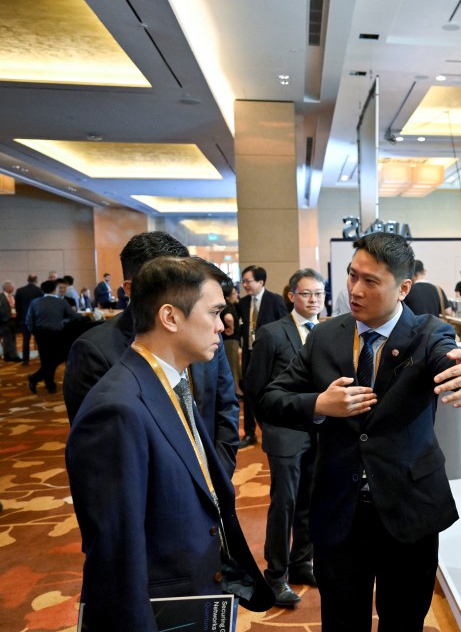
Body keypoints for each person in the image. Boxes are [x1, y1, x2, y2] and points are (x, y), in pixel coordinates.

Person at [259, 232, 461, 631]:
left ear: (403, 288)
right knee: (341, 620)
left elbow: (453, 359)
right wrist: (320, 404)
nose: (355, 290)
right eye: (353, 275)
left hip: (407, 509)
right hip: (340, 509)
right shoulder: (325, 336)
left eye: (370, 281)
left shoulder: (428, 333)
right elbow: (270, 398)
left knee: (403, 620)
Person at [66, 256, 273, 630]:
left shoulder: (170, 382)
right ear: (170, 317)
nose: (222, 325)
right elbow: (116, 556)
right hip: (159, 607)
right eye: (214, 312)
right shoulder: (117, 409)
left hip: (195, 586)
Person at [63, 232, 241, 475]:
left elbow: (225, 406)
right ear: (130, 288)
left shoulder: (207, 332)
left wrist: (217, 475)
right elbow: (103, 458)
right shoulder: (94, 351)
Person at [244, 269, 323, 608]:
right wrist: (268, 425)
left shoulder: (328, 331)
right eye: (306, 293)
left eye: (319, 293)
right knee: (285, 503)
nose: (314, 300)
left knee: (311, 501)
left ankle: (302, 562)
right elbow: (254, 386)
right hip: (284, 432)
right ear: (292, 296)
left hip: (319, 430)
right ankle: (275, 576)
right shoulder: (272, 333)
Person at [236, 265, 288, 449]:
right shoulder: (243, 303)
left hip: (270, 355)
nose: (245, 285)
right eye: (243, 281)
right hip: (249, 352)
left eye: (248, 281)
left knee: (268, 389)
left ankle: (270, 427)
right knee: (249, 390)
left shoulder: (274, 300)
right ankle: (250, 432)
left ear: (260, 282)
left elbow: (284, 324)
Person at [26, 279, 84, 394]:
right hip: (56, 334)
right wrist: (85, 317)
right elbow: (74, 316)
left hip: (40, 334)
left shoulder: (35, 302)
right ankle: (38, 378)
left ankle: (49, 384)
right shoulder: (60, 302)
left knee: (46, 359)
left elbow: (29, 320)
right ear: (54, 290)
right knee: (59, 357)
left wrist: (34, 333)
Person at [14, 275, 43, 364]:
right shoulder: (39, 291)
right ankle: (42, 358)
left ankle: (25, 359)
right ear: (36, 280)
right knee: (39, 340)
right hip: (37, 319)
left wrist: (19, 319)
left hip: (24, 319)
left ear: (27, 280)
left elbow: (17, 307)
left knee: (26, 340)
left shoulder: (20, 291)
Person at [222, 285, 243, 398]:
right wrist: (232, 328)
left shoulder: (231, 305)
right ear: (229, 295)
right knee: (232, 365)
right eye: (234, 293)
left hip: (232, 340)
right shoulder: (228, 306)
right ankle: (236, 390)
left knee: (235, 364)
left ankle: (237, 388)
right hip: (230, 340)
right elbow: (228, 318)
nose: (237, 295)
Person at [1, 281, 19, 362]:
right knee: (8, 338)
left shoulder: (13, 296)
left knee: (12, 337)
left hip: (14, 320)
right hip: (4, 321)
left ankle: (7, 355)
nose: (13, 288)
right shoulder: (1, 297)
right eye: (12, 286)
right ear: (7, 287)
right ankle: (14, 356)